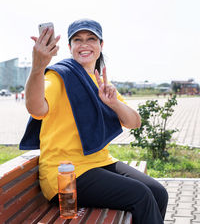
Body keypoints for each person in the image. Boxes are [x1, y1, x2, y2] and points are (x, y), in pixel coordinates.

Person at [20, 19, 168, 224]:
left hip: (98, 163)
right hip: (65, 174)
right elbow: (36, 109)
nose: (84, 44)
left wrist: (114, 103)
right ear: (70, 47)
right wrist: (37, 67)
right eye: (77, 40)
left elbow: (134, 122)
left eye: (91, 39)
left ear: (101, 45)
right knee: (141, 195)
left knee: (158, 192)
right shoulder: (59, 77)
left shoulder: (101, 83)